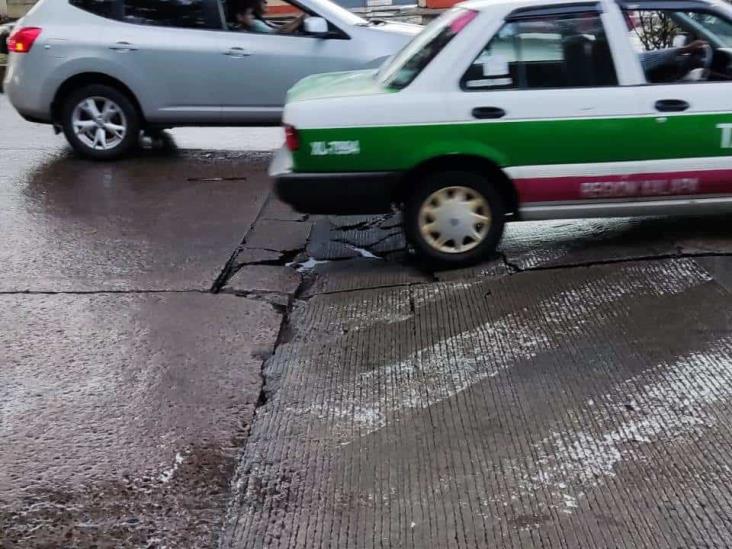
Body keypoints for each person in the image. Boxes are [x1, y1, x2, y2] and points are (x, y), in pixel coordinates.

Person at [231, 0, 306, 34]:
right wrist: (300, 19)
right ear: (239, 17)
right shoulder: (255, 24)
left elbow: (278, 29)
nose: (252, 16)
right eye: (249, 14)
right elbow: (278, 33)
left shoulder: (258, 21)